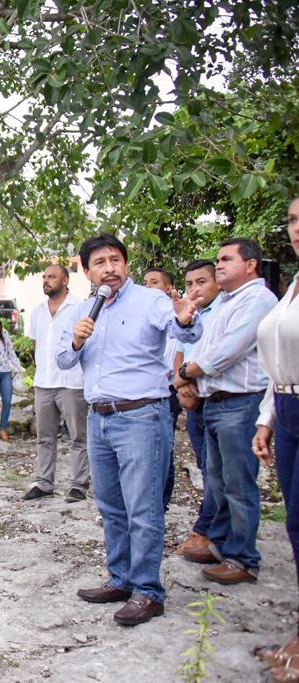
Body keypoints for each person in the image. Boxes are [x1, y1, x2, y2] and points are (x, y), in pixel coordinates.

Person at [58, 233, 201, 626]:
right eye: (100, 262)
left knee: (143, 507)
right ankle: (120, 579)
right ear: (87, 272)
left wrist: (186, 318)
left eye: (115, 260)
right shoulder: (85, 310)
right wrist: (74, 341)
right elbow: (62, 360)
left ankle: (147, 591)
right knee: (110, 506)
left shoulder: (151, 301)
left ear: (126, 264)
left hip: (141, 416)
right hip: (98, 417)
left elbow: (182, 329)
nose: (109, 268)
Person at [178, 238, 278, 586]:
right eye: (218, 259)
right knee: (216, 480)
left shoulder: (259, 300)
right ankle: (220, 544)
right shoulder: (224, 302)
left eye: (226, 259)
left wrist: (185, 374)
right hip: (214, 402)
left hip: (241, 402)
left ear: (250, 264)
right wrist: (190, 381)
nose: (218, 265)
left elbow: (225, 353)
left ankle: (243, 558)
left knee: (238, 484)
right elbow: (201, 346)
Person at [253, 197, 299, 683]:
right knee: (297, 524)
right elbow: (278, 365)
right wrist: (268, 418)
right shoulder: (290, 290)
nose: (296, 228)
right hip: (287, 409)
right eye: (291, 220)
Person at [24, 264, 89, 502]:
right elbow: (36, 345)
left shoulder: (80, 307)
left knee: (78, 436)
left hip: (72, 382)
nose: (46, 280)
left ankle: (79, 485)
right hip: (44, 382)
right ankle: (44, 482)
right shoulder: (38, 311)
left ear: (65, 281)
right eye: (44, 277)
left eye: (51, 276)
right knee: (44, 435)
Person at [171, 260, 221, 556]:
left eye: (201, 282)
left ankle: (207, 532)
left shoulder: (222, 312)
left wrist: (186, 379)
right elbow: (180, 350)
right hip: (191, 398)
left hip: (214, 397)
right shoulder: (191, 315)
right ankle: (209, 528)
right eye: (189, 283)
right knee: (205, 467)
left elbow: (215, 356)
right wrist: (181, 384)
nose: (194, 289)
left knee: (218, 471)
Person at [142, 267, 183, 511]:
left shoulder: (177, 315)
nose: (148, 286)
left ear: (168, 287)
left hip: (169, 389)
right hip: (144, 391)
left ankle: (160, 504)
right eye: (145, 282)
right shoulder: (143, 314)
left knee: (162, 450)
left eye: (154, 282)